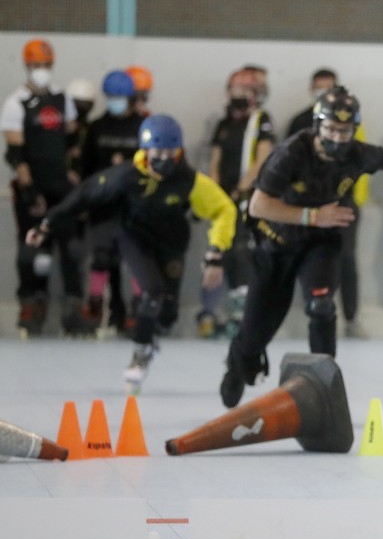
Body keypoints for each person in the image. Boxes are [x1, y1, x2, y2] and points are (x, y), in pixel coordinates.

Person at [219, 87, 383, 407]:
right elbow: (258, 206)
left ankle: (323, 385)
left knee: (322, 306)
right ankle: (237, 365)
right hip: (276, 245)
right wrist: (313, 215)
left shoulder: (357, 153)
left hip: (320, 244)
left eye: (345, 131)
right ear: (317, 126)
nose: (338, 138)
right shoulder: (290, 154)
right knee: (256, 332)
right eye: (331, 130)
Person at [26, 115, 236, 393]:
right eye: (156, 153)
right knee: (151, 293)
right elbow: (84, 195)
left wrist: (215, 254)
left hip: (171, 244)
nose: (162, 160)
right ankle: (140, 353)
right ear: (145, 150)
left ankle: (152, 338)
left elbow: (225, 209)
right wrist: (47, 224)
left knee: (167, 316)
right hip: (134, 239)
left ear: (179, 152)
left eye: (169, 154)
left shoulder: (189, 180)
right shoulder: (126, 176)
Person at [1, 38, 84, 336]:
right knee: (30, 252)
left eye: (46, 65)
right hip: (33, 186)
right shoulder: (16, 102)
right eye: (36, 65)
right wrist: (29, 190)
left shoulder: (63, 100)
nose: (42, 70)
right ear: (26, 66)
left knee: (72, 249)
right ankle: (31, 303)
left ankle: (74, 305)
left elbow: (73, 142)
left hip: (62, 186)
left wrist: (73, 172)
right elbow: (15, 153)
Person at [288, 68, 371, 338]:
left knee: (346, 258)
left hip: (343, 204)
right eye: (319, 88)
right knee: (306, 259)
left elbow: (367, 162)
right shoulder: (299, 121)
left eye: (329, 88)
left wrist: (356, 201)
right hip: (306, 207)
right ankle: (314, 311)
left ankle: (351, 317)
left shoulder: (354, 122)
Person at [200, 68, 275, 336]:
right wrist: (214, 191)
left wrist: (241, 190)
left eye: (245, 92)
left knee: (243, 252)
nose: (239, 96)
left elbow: (263, 156)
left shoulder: (260, 120)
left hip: (246, 199)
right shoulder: (223, 123)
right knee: (220, 249)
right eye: (235, 91)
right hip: (223, 199)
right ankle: (209, 311)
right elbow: (215, 161)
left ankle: (240, 311)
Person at [79, 70, 146, 334]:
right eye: (111, 96)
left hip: (133, 204)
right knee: (102, 257)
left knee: (135, 259)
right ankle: (96, 305)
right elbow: (86, 169)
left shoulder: (142, 126)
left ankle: (139, 307)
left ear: (130, 97)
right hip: (103, 204)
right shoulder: (97, 128)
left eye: (120, 96)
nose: (116, 100)